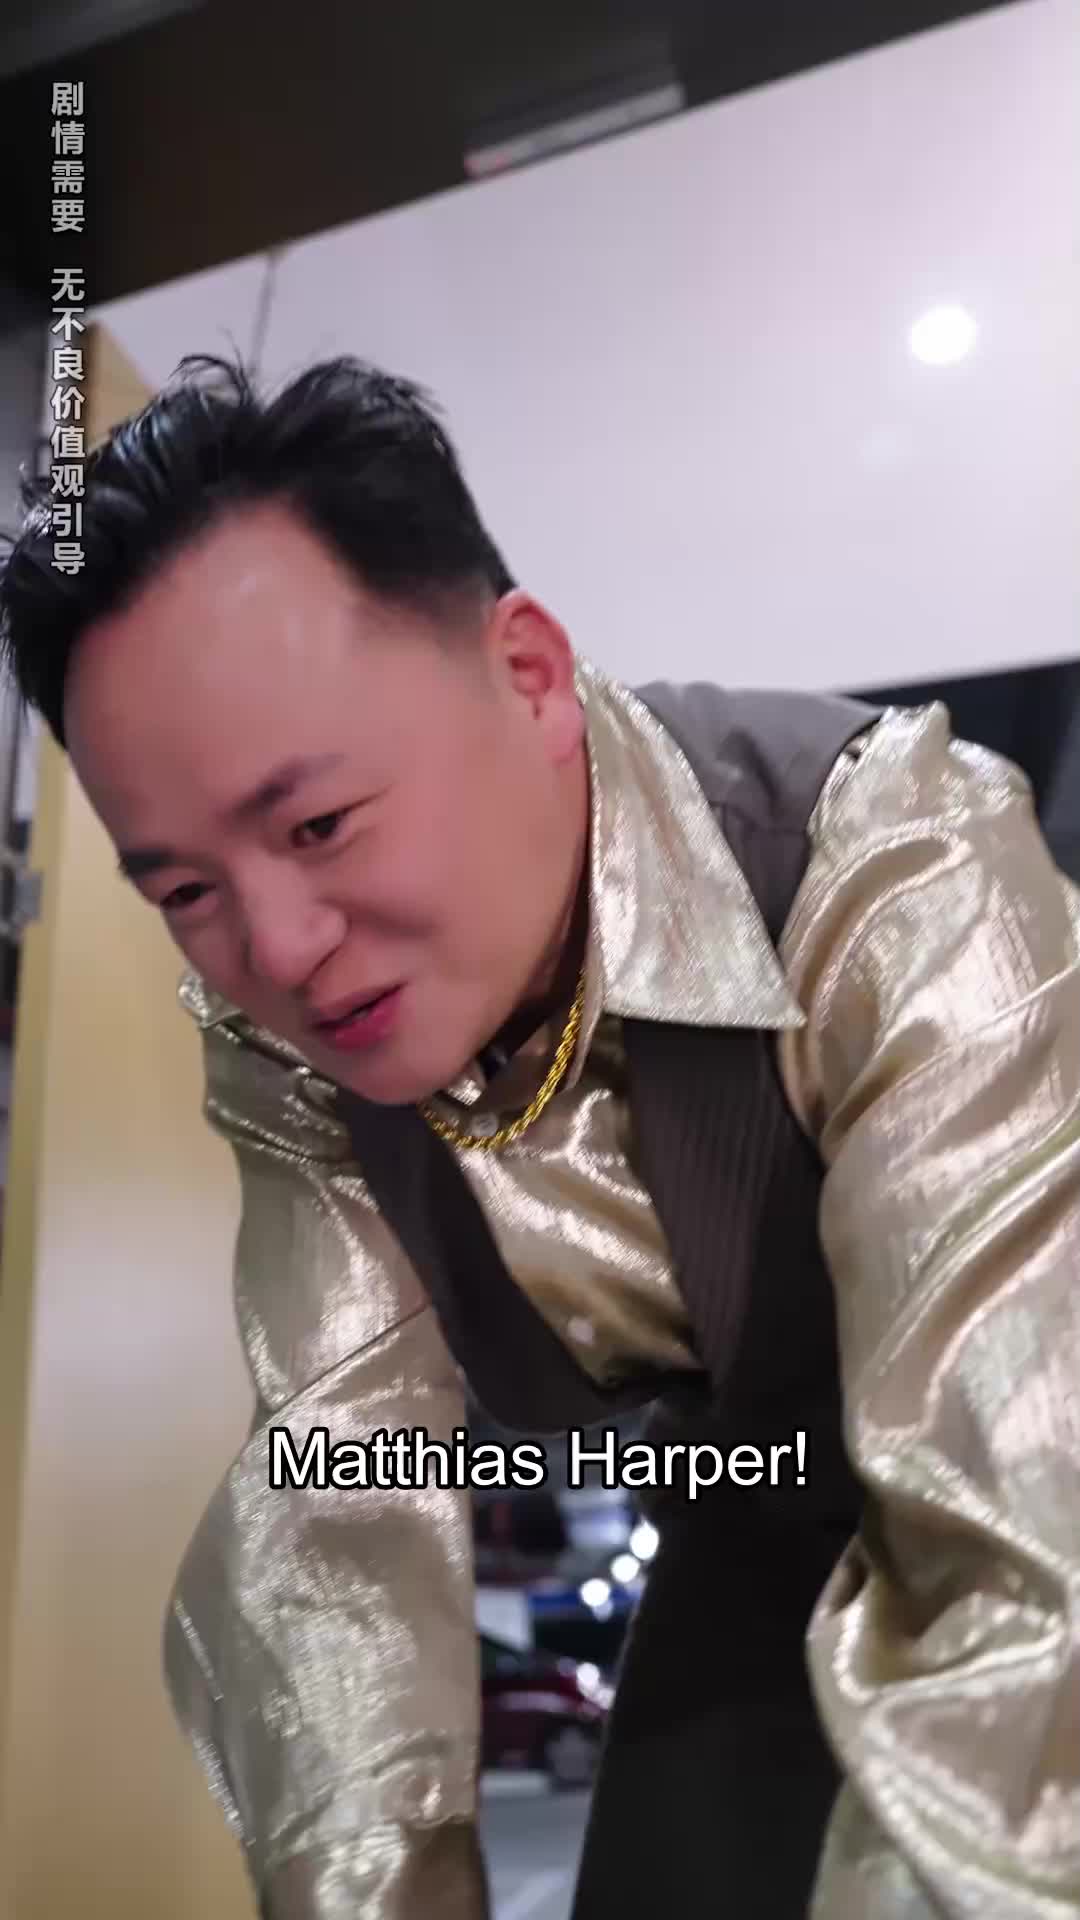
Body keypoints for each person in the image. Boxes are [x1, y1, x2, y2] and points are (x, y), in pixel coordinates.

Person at [2, 355, 1079, 1920]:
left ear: (526, 672)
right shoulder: (287, 1041)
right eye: (183, 888)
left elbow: (1028, 1561)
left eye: (320, 823)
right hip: (750, 1555)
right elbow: (339, 1515)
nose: (278, 947)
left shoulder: (897, 868)